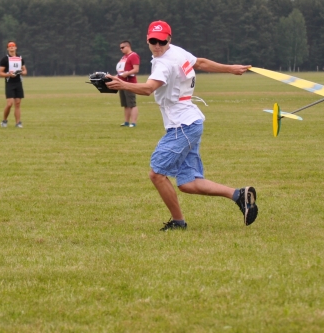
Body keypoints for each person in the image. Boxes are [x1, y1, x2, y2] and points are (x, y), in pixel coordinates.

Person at [104, 20, 258, 231]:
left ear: (169, 39)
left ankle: (178, 222)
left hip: (182, 125)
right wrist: (230, 69)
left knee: (157, 174)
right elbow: (200, 63)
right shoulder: (176, 52)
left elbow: (148, 89)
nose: (158, 46)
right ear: (147, 40)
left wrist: (122, 85)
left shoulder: (164, 63)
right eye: (153, 41)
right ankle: (239, 195)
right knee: (188, 182)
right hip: (190, 122)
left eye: (162, 41)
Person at [0, 41, 27, 127]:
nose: (11, 47)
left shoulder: (20, 58)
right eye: (10, 46)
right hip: (9, 83)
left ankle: (18, 123)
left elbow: (25, 71)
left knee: (17, 103)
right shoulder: (5, 59)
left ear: (16, 47)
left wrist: (21, 72)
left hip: (18, 82)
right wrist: (9, 74)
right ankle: (4, 121)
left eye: (13, 46)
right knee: (9, 104)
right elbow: (0, 73)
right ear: (7, 48)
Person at [116, 40, 140, 127]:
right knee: (125, 104)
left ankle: (133, 122)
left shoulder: (133, 55)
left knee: (132, 103)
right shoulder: (123, 57)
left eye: (122, 47)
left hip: (130, 83)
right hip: (122, 82)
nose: (121, 49)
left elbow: (136, 69)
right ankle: (126, 122)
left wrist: (127, 73)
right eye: (120, 48)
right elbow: (121, 71)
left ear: (128, 46)